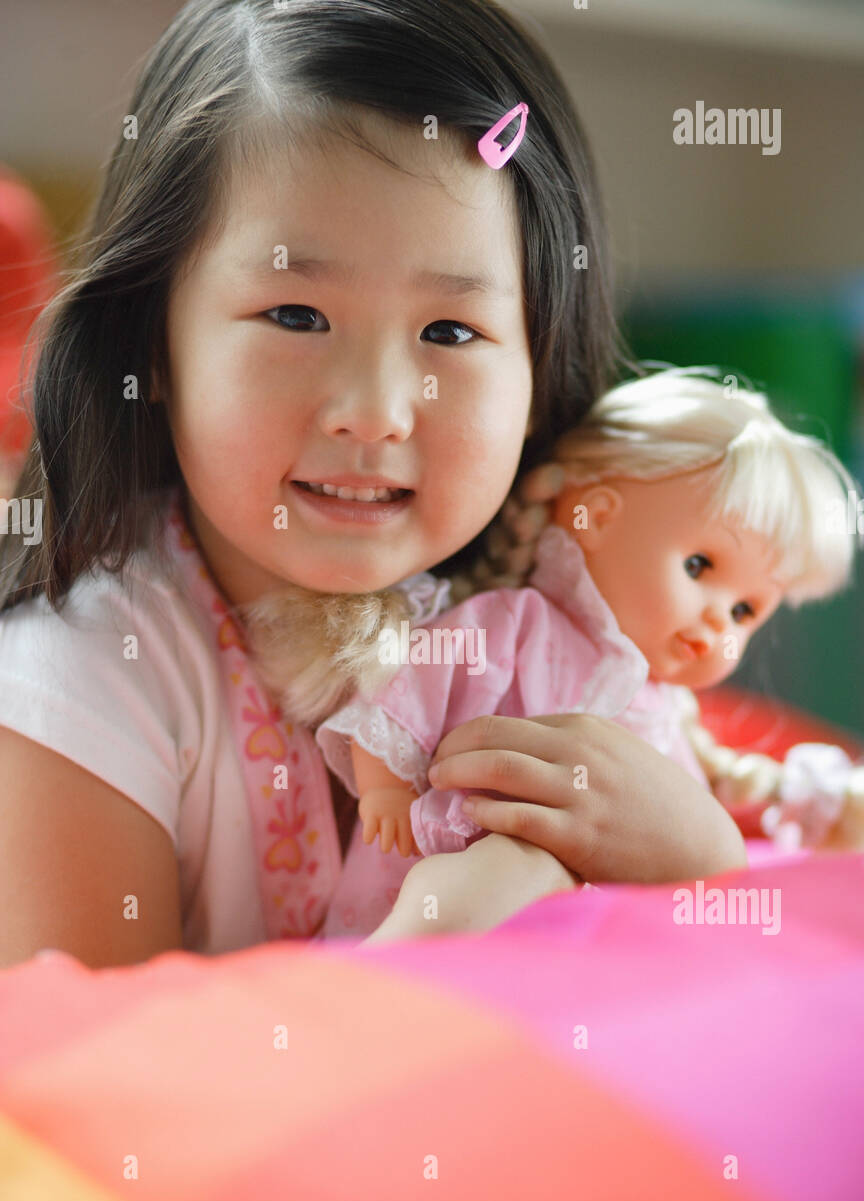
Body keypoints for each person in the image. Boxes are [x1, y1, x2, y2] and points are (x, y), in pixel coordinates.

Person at [0, 0, 747, 969]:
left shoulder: (545, 639)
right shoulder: (86, 677)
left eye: (449, 333)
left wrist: (702, 861)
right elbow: (77, 1098)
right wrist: (431, 945)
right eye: (296, 315)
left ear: (538, 374)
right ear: (155, 341)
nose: (375, 411)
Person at [314, 367, 862, 942]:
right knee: (496, 875)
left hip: (582, 930)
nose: (718, 619)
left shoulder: (667, 712)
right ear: (597, 516)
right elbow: (405, 692)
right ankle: (384, 967)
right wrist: (384, 787)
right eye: (699, 567)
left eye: (746, 611)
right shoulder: (516, 626)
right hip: (449, 882)